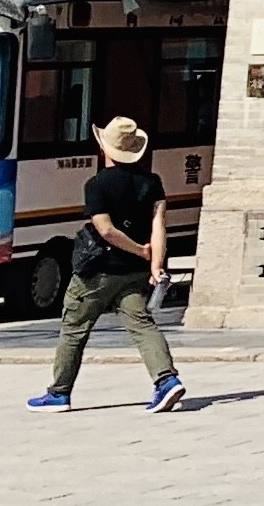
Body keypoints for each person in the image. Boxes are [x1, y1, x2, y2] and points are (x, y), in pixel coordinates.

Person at [27, 116, 189, 414]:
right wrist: (155, 264)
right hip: (134, 274)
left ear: (105, 150)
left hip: (97, 272)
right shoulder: (152, 183)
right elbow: (159, 226)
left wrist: (140, 250)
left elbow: (106, 230)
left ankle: (59, 393)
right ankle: (166, 380)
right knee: (142, 324)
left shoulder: (96, 185)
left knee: (74, 328)